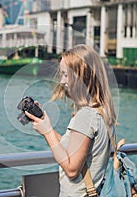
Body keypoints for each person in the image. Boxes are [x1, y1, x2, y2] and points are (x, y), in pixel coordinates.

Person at [25, 44, 117, 196]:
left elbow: (72, 169)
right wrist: (45, 127)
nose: (62, 81)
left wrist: (48, 132)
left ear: (83, 76)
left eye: (66, 75)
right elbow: (75, 149)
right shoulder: (102, 111)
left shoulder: (86, 116)